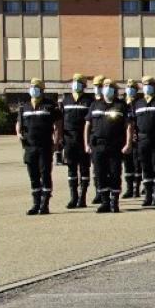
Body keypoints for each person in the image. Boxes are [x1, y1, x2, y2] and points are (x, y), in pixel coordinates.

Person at [85, 79, 130, 214]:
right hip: (98, 145)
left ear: (115, 90)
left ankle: (114, 202)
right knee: (100, 174)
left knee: (115, 173)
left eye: (110, 86)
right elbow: (87, 125)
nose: (107, 88)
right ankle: (104, 202)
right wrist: (86, 144)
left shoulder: (121, 106)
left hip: (115, 146)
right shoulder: (95, 105)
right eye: (105, 86)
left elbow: (128, 126)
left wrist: (128, 144)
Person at [17, 78, 61, 215]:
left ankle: (45, 204)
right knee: (33, 175)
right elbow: (19, 123)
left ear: (42, 90)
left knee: (45, 173)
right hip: (30, 147)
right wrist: (18, 133)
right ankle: (36, 203)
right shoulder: (24, 106)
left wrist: (56, 141)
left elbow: (58, 124)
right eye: (31, 86)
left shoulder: (50, 105)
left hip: (45, 146)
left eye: (36, 87)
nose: (33, 89)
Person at [129, 76, 155, 207]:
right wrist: (133, 135)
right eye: (145, 84)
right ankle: (147, 195)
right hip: (143, 139)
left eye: (150, 84)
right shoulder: (138, 103)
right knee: (145, 167)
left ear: (154, 86)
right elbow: (132, 122)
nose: (147, 86)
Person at [59, 73, 94, 208]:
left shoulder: (89, 101)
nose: (76, 84)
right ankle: (73, 197)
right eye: (74, 81)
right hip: (69, 140)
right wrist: (60, 138)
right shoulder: (66, 100)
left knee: (84, 169)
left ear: (84, 85)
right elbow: (60, 121)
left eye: (79, 82)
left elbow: (91, 123)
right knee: (71, 169)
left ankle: (82, 198)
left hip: (84, 139)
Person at [121, 79, 141, 198]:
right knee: (127, 164)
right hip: (125, 138)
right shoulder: (123, 104)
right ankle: (129, 188)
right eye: (128, 87)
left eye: (132, 87)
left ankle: (136, 188)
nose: (130, 89)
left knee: (137, 164)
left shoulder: (139, 102)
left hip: (137, 138)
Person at [89, 75, 107, 205]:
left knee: (107, 169)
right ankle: (98, 191)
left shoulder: (109, 101)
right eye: (95, 86)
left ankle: (107, 193)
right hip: (95, 140)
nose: (97, 89)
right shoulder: (92, 103)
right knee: (96, 169)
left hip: (108, 140)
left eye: (99, 86)